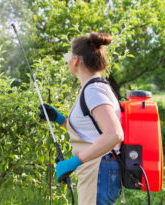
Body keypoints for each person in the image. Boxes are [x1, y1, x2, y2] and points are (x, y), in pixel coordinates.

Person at [39, 32, 124, 205]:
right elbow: (91, 132)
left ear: (76, 60)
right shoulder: (92, 88)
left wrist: (74, 162)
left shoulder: (94, 91)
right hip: (98, 169)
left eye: (68, 55)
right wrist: (60, 119)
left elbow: (114, 134)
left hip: (99, 169)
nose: (67, 60)